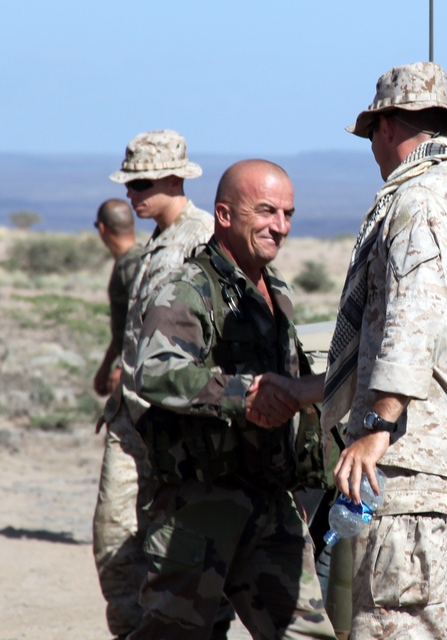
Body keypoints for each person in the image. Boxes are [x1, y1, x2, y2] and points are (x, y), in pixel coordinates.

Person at [321, 61, 447, 639]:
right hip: (433, 464)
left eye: (373, 131)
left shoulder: (421, 201)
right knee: (429, 620)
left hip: (412, 458)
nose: (373, 146)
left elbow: (414, 316)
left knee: (399, 624)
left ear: (390, 126)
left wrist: (376, 426)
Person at [129, 159, 337, 639]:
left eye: (287, 213)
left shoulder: (274, 291)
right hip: (200, 504)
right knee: (173, 632)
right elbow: (157, 373)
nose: (279, 226)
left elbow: (290, 379)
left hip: (271, 503)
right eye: (266, 211)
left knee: (305, 632)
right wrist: (245, 395)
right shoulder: (189, 287)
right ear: (224, 215)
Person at [91, 130, 220, 639]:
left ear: (173, 179)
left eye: (142, 183)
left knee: (171, 546)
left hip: (172, 420)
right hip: (133, 416)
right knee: (114, 537)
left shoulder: (203, 237)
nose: (132, 194)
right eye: (129, 183)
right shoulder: (156, 243)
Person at [92, 198, 142, 396]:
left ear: (102, 228)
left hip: (136, 370)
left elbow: (143, 320)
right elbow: (124, 325)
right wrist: (107, 364)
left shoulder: (132, 265)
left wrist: (122, 365)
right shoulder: (129, 261)